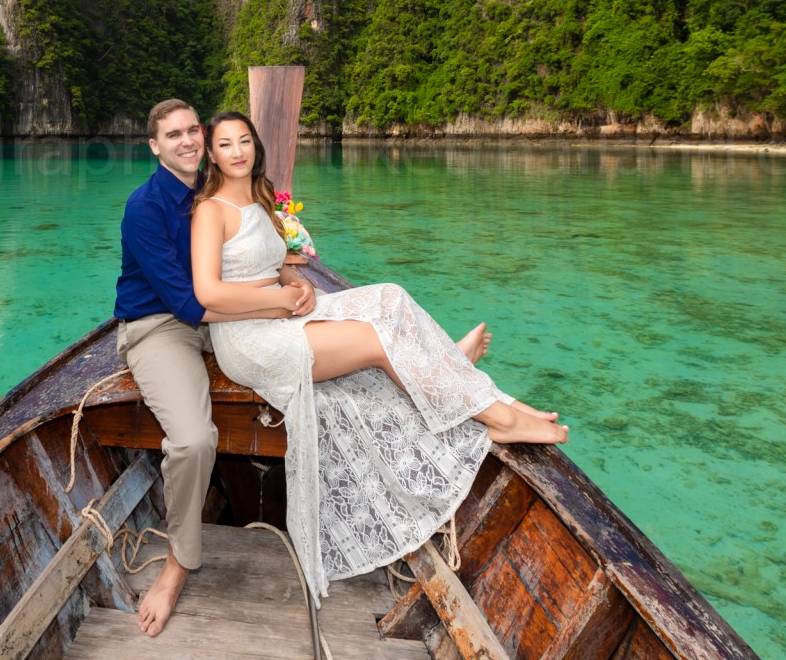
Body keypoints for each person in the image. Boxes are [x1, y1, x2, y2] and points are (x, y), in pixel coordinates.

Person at [190, 111, 568, 604]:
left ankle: (451, 372)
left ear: (255, 146)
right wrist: (278, 301)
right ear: (213, 154)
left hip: (280, 313)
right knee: (373, 340)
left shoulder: (260, 201)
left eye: (245, 141)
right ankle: (498, 415)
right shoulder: (211, 210)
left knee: (390, 296)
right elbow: (208, 294)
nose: (237, 151)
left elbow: (274, 267)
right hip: (249, 339)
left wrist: (296, 284)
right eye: (225, 144)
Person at [113, 99, 318, 637]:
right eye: (172, 135)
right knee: (193, 441)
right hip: (164, 324)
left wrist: (290, 274)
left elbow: (255, 244)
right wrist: (278, 301)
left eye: (191, 132)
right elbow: (190, 305)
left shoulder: (220, 183)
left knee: (327, 353)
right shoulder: (145, 207)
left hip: (226, 314)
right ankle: (179, 561)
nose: (186, 141)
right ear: (154, 146)